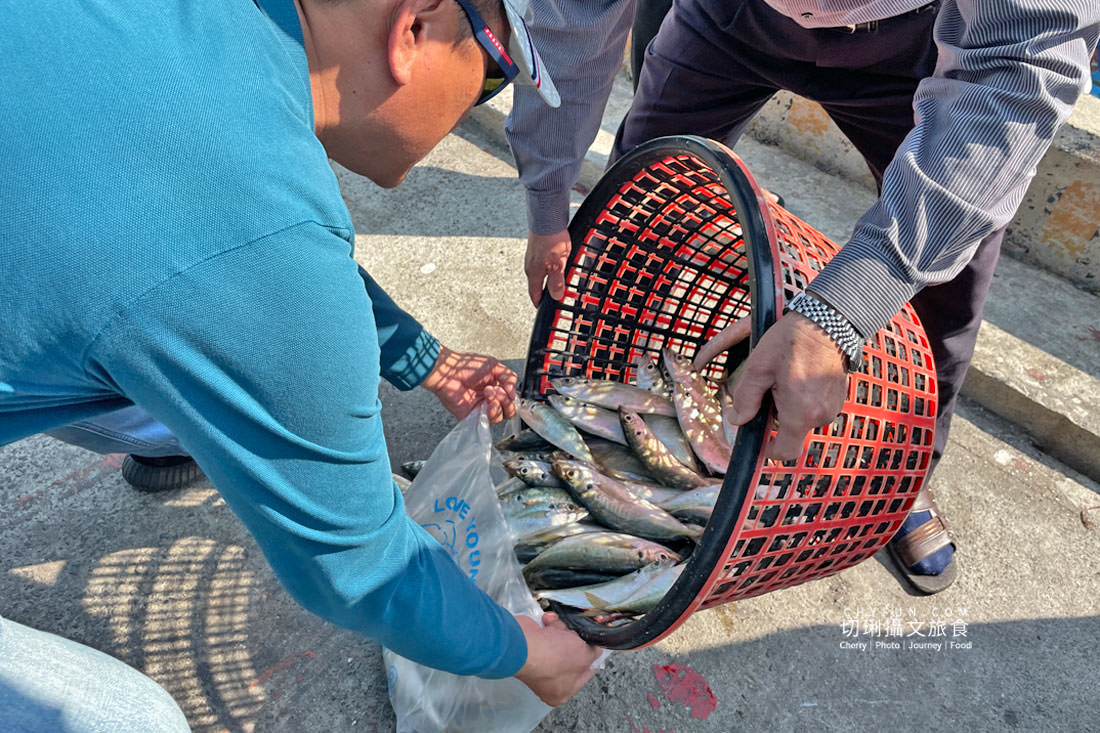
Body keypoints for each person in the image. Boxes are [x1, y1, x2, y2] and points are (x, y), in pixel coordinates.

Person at [0, 0, 600, 728]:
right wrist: (529, 654)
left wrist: (423, 358)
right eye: (492, 81)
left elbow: (210, 250)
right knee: (128, 720)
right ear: (418, 26)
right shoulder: (258, 240)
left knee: (136, 334)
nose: (483, 108)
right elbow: (363, 570)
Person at [506, 0, 1099, 594]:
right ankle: (614, 406)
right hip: (729, 16)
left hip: (918, 42)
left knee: (947, 285)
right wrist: (547, 202)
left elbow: (1020, 67)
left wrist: (844, 307)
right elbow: (572, 17)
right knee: (640, 207)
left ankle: (900, 474)